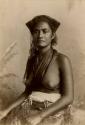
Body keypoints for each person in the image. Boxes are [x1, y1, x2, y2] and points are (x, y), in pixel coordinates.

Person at [0, 15, 74, 125]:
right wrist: (5, 110)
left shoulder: (62, 60)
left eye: (45, 31)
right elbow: (27, 92)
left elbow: (68, 97)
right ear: (33, 35)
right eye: (36, 32)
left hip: (52, 111)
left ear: (52, 35)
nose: (40, 35)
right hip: (30, 106)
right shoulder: (32, 60)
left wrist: (40, 116)